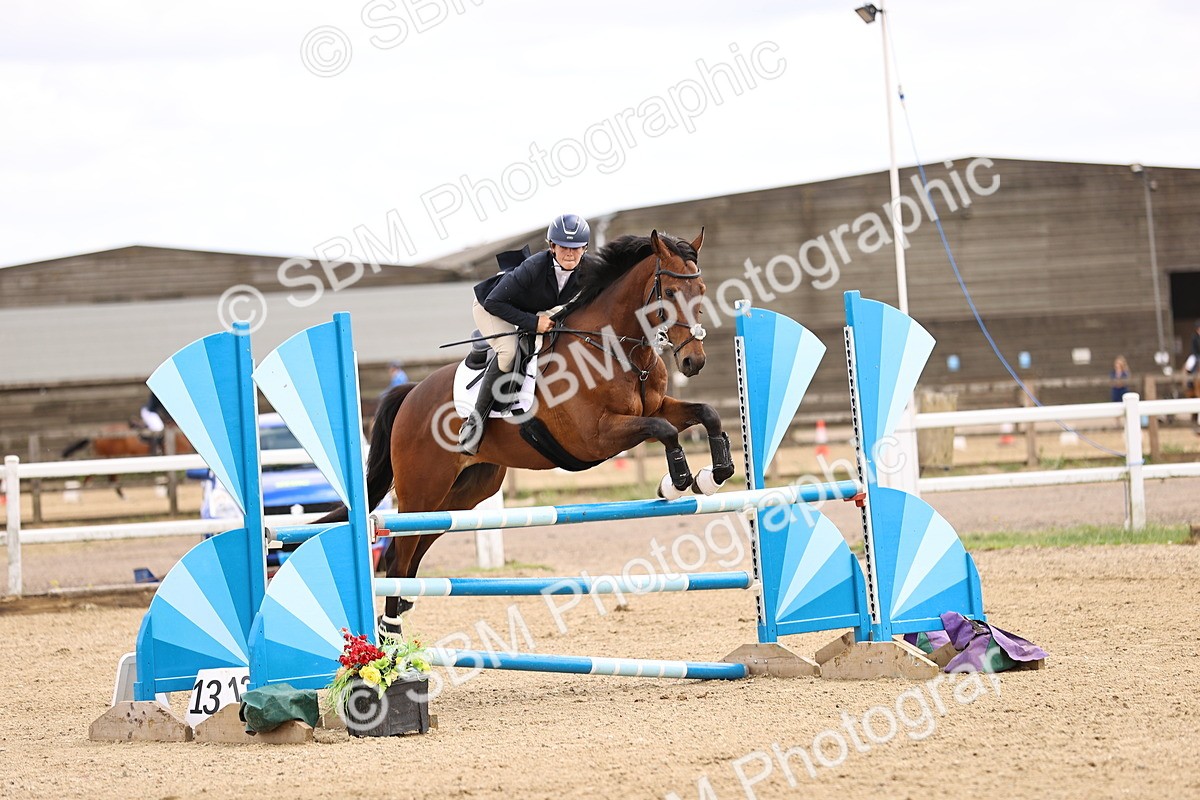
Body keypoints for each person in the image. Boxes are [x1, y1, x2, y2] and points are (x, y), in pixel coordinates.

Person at [457, 213, 594, 454]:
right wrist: (532, 323)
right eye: (563, 247)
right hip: (492, 306)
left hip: (528, 307)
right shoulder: (535, 266)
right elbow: (494, 302)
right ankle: (474, 425)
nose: (570, 253)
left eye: (576, 248)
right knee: (508, 352)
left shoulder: (588, 269)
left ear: (585, 248)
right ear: (552, 246)